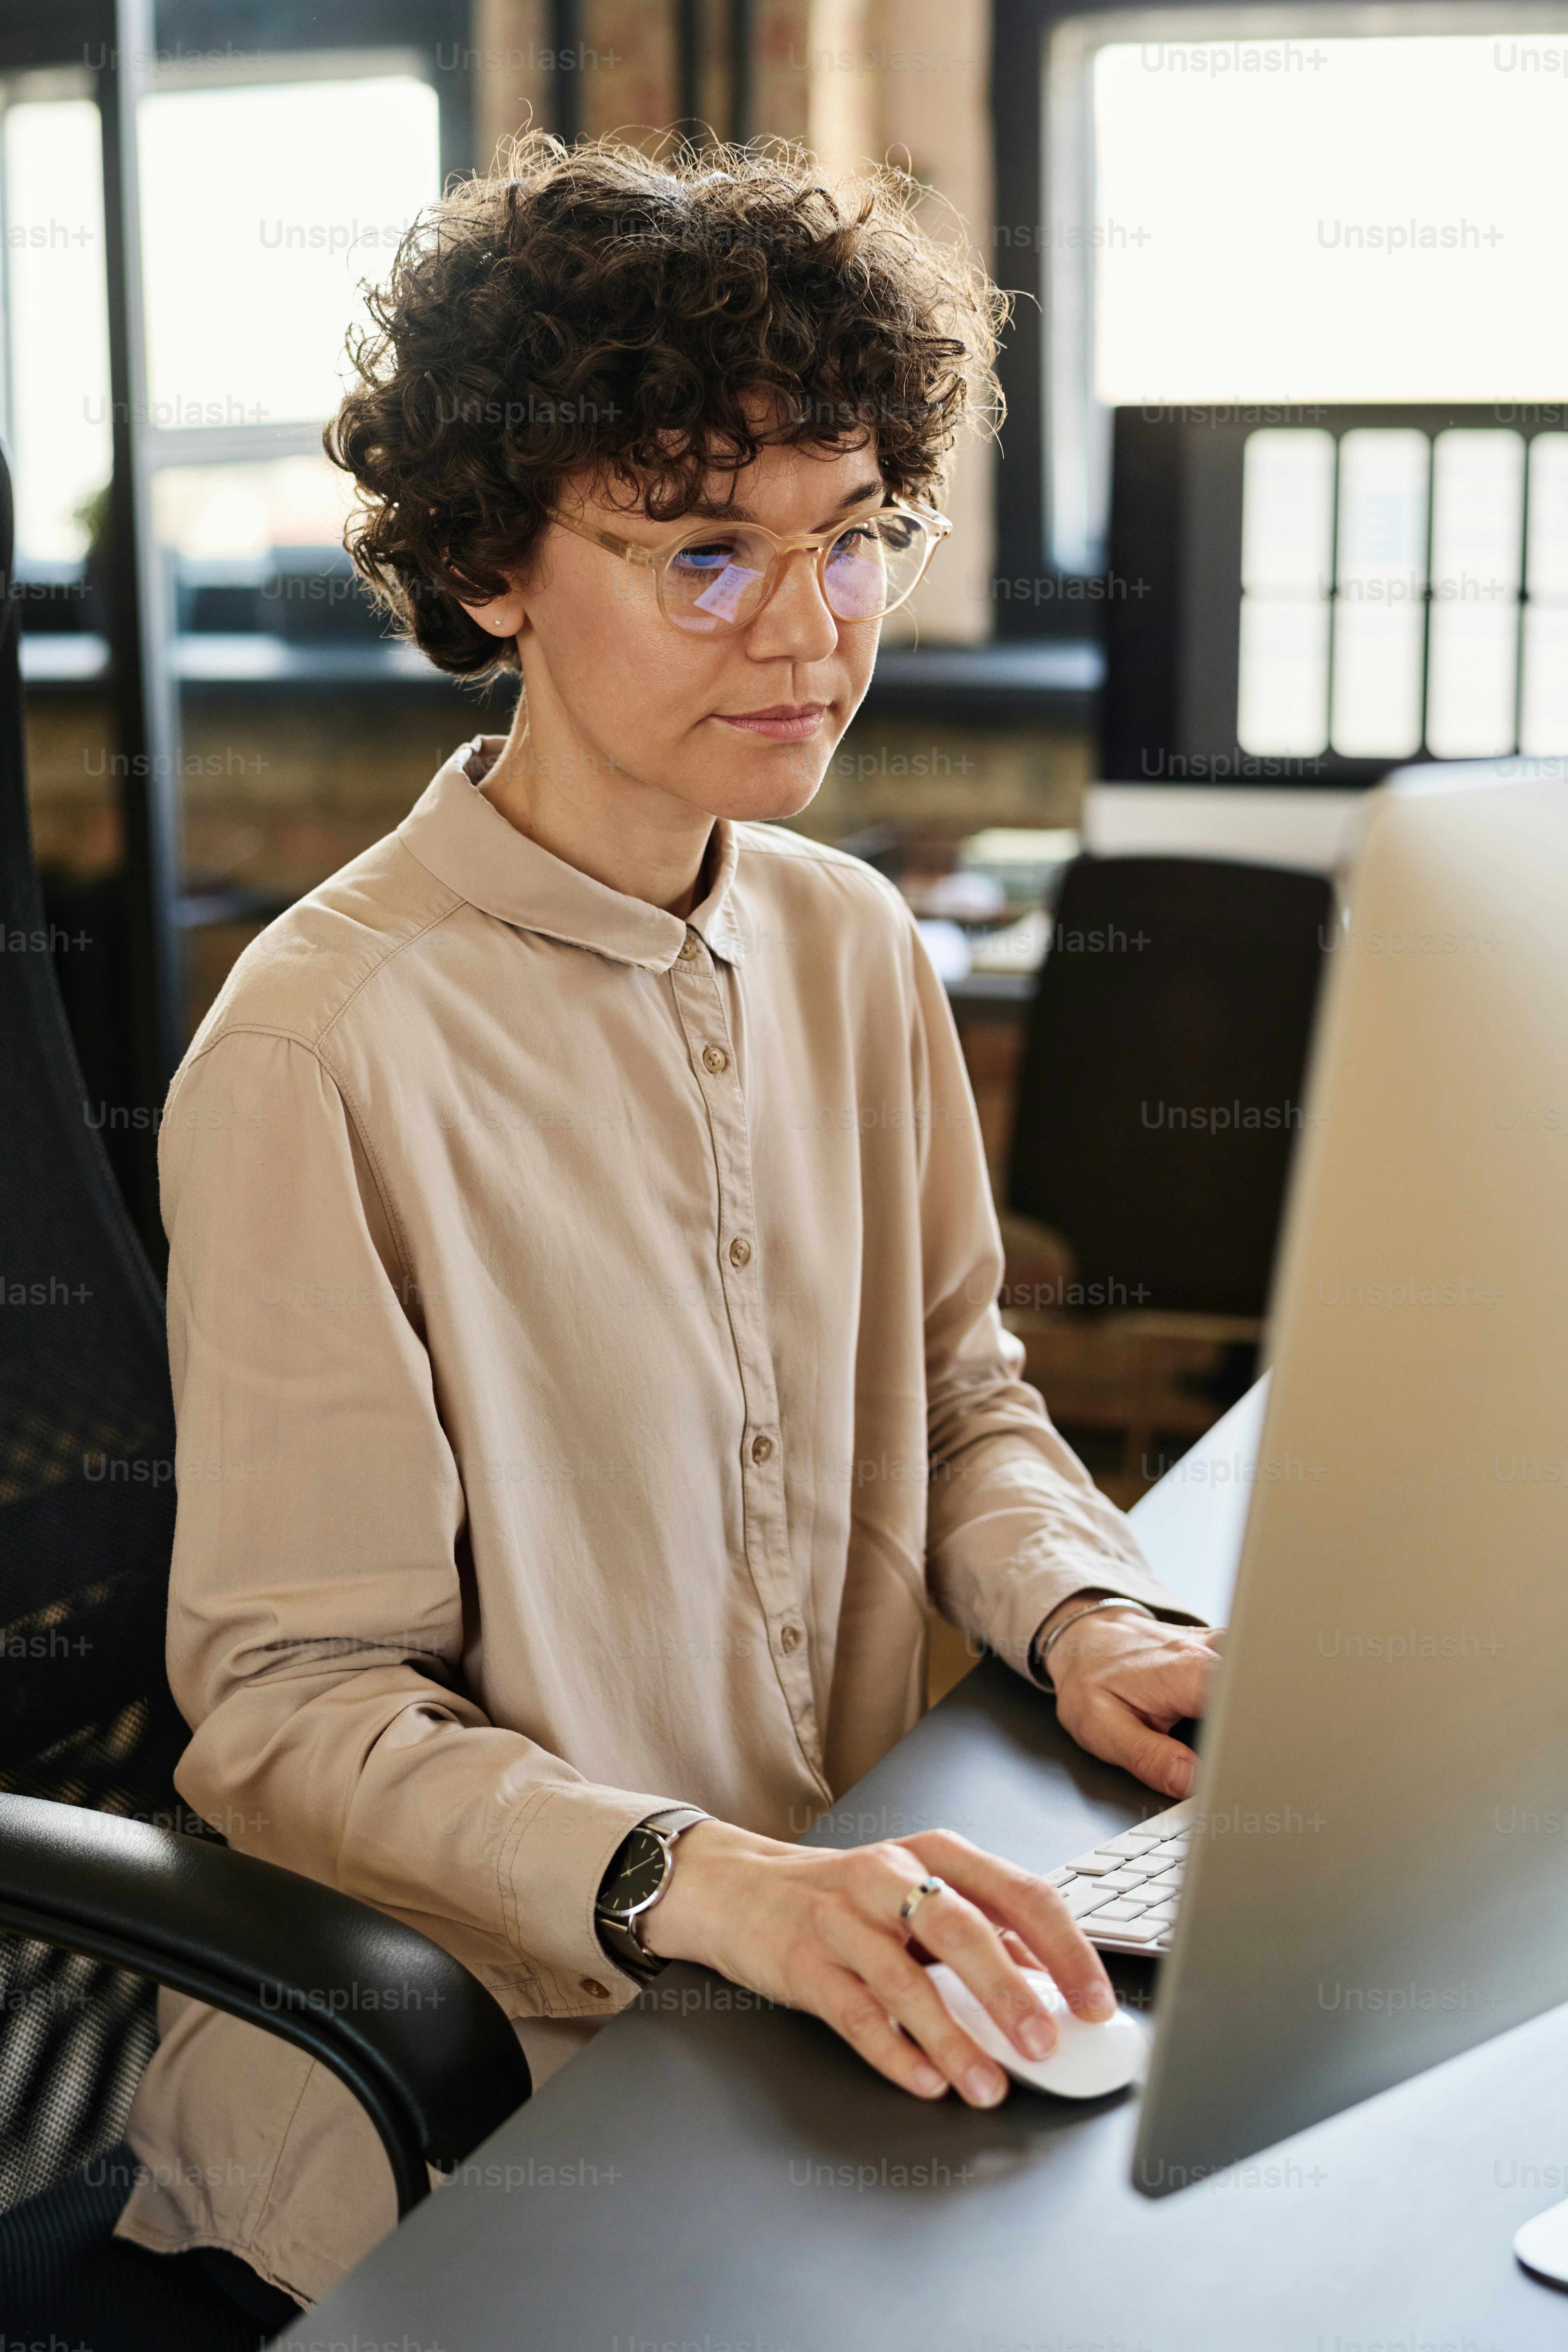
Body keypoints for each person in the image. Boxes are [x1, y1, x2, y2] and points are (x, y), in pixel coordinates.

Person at [114, 135, 1219, 2310]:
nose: (812, 636)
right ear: (496, 568)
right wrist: (704, 1887)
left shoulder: (849, 942)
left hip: (851, 1963)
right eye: (702, 558)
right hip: (485, 2068)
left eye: (857, 541)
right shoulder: (320, 1050)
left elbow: (962, 1396)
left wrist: (1096, 1620)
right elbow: (282, 1709)